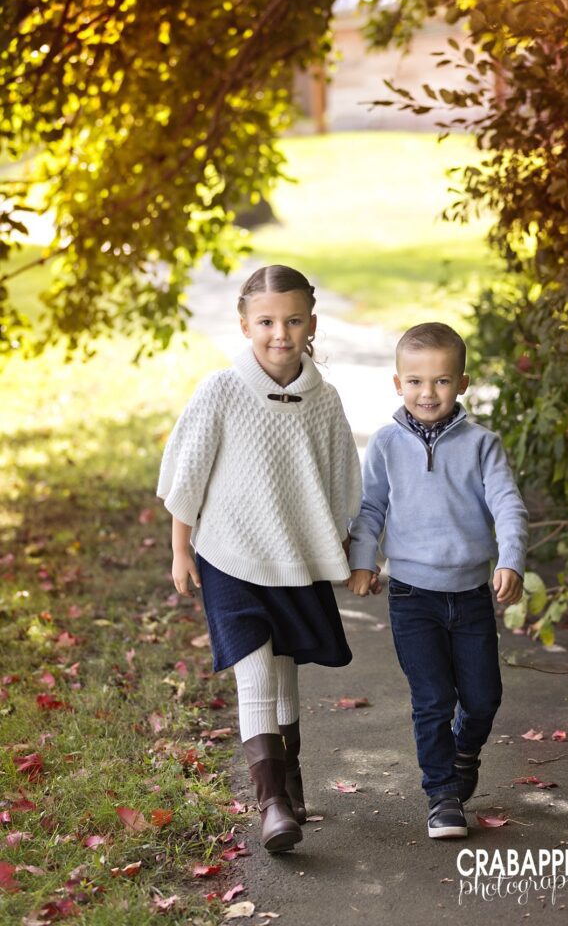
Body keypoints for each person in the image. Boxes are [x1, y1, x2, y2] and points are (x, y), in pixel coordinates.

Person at [157, 265, 361, 853]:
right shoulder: (221, 391)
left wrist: (348, 546)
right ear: (245, 324)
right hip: (229, 554)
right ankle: (270, 801)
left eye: (293, 320)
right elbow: (187, 475)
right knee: (253, 667)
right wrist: (179, 549)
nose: (280, 333)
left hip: (293, 554)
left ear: (311, 325)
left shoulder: (324, 400)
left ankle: (290, 775)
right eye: (267, 321)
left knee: (284, 668)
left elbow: (342, 477)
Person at [347, 322, 528, 840]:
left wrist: (510, 559)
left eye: (442, 381)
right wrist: (364, 561)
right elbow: (371, 506)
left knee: (482, 698)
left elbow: (507, 504)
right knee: (431, 698)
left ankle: (464, 749)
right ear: (397, 383)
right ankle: (442, 796)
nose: (428, 393)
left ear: (463, 383)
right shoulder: (385, 443)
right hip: (410, 595)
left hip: (470, 595)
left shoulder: (481, 444)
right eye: (416, 382)